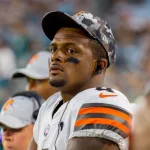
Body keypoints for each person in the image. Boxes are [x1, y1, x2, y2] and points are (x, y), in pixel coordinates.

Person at [28, 11, 132, 150]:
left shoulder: (105, 100)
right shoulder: (49, 106)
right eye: (53, 49)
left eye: (71, 50)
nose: (55, 56)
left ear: (99, 66)